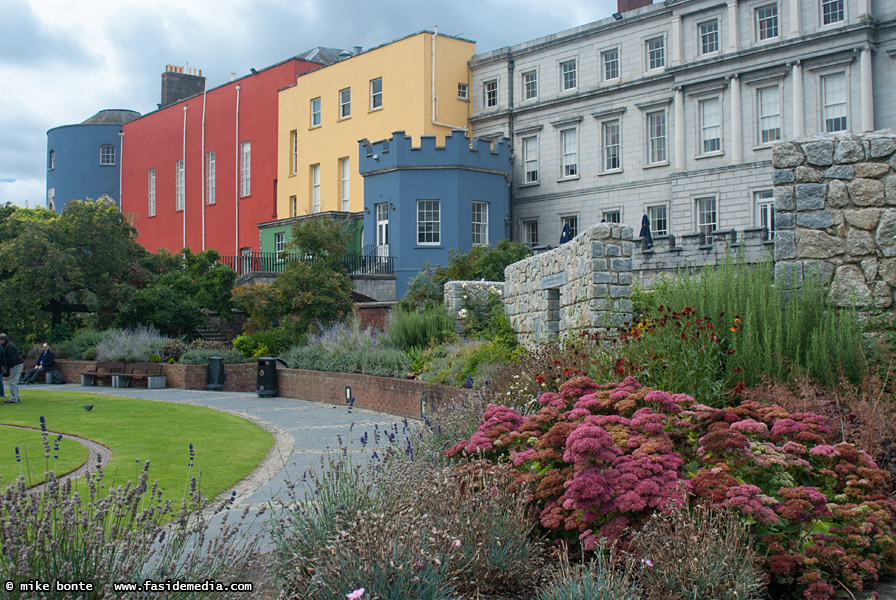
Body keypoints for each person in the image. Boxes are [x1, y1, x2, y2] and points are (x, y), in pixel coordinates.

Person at [0, 333, 24, 403]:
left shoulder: (8, 346)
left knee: (12, 382)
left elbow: (11, 358)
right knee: (14, 382)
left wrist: (8, 367)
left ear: (3, 340)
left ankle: (14, 398)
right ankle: (15, 396)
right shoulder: (9, 345)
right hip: (17, 364)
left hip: (16, 365)